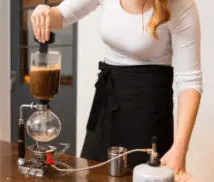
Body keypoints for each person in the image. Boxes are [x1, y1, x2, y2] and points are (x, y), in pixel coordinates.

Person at [31, 0, 202, 175]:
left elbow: (189, 81)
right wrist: (44, 13)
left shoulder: (180, 5)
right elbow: (60, 16)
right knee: (93, 174)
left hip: (149, 112)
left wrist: (180, 149)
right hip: (107, 103)